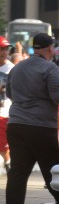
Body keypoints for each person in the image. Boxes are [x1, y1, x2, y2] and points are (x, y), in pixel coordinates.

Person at [5, 33, 59, 204]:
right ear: (50, 49)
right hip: (41, 127)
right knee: (52, 171)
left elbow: (10, 94)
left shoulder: (17, 67)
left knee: (18, 173)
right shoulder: (49, 68)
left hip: (16, 124)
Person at [0, 36, 14, 173]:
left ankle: (8, 164)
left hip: (5, 112)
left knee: (3, 145)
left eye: (6, 49)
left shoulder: (12, 69)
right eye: (1, 49)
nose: (4, 52)